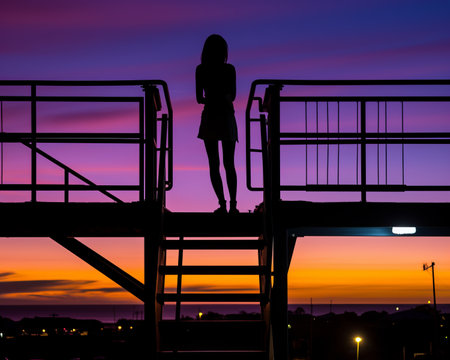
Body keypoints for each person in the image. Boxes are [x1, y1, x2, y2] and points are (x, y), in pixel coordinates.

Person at [196, 34, 238, 214]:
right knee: (229, 163)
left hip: (210, 116)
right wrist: (223, 98)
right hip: (226, 115)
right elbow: (233, 95)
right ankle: (233, 205)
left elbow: (199, 98)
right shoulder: (229, 70)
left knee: (214, 163)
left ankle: (222, 204)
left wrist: (211, 99)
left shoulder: (201, 69)